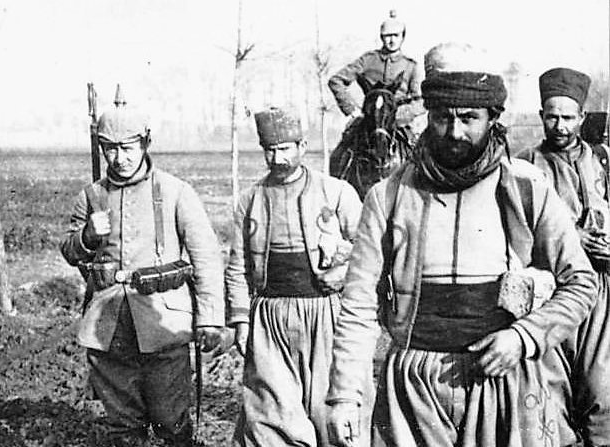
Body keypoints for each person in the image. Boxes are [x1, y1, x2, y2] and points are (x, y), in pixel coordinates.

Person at [325, 49, 598, 447]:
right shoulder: (389, 196)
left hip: (503, 381)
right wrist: (345, 397)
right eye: (442, 118)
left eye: (469, 119)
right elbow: (359, 303)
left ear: (492, 120)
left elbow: (580, 283)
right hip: (414, 389)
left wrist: (523, 338)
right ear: (428, 117)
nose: (454, 133)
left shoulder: (525, 187)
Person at [59, 105, 225, 447]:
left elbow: (206, 258)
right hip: (109, 326)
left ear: (146, 143)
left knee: (170, 421)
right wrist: (87, 237)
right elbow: (70, 252)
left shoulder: (176, 192)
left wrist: (210, 319)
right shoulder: (91, 197)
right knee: (122, 426)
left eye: (128, 147)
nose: (119, 158)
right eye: (110, 149)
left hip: (164, 323)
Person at [225, 106, 363, 446]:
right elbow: (237, 265)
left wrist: (342, 273)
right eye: (269, 149)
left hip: (325, 313)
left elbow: (369, 253)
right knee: (271, 414)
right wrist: (241, 321)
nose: (277, 157)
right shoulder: (250, 200)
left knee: (332, 410)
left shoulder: (336, 193)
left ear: (302, 146)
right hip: (269, 317)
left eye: (285, 148)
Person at [516, 67, 610, 446]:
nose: (559, 125)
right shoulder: (524, 165)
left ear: (582, 118)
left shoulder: (602, 159)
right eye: (551, 116)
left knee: (601, 385)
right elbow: (518, 229)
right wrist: (572, 238)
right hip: (550, 290)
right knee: (549, 389)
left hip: (601, 290)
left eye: (568, 117)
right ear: (541, 116)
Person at [328, 11, 424, 139]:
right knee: (342, 152)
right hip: (368, 121)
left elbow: (420, 100)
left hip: (399, 124)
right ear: (381, 37)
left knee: (416, 151)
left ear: (403, 37)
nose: (392, 40)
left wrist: (402, 114)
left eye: (396, 36)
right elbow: (336, 81)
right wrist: (351, 109)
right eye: (387, 36)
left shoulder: (410, 66)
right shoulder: (368, 60)